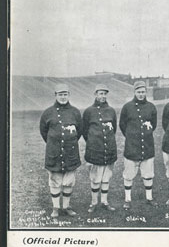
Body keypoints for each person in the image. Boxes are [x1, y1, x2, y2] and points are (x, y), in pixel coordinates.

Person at [39, 83, 83, 217]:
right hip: (54, 152)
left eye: (65, 94)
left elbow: (79, 131)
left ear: (69, 95)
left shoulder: (75, 112)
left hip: (70, 152)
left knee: (69, 180)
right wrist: (54, 143)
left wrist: (69, 141)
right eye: (60, 94)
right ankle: (56, 208)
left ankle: (66, 206)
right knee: (55, 180)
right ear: (55, 95)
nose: (63, 97)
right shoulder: (48, 113)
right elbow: (43, 132)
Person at [120, 81, 158, 209]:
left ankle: (149, 198)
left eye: (143, 92)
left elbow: (153, 124)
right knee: (129, 174)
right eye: (138, 92)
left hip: (147, 145)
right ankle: (127, 199)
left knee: (148, 174)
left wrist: (145, 134)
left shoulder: (151, 107)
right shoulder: (127, 107)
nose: (141, 94)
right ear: (134, 92)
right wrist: (131, 136)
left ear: (146, 92)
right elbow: (122, 125)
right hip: (132, 146)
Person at [81, 84, 118, 212]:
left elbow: (113, 129)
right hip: (94, 150)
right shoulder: (88, 111)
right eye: (100, 93)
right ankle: (94, 202)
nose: (102, 96)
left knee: (106, 177)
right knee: (95, 178)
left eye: (104, 94)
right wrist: (93, 142)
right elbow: (84, 131)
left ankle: (104, 201)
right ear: (95, 94)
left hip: (109, 149)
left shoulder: (111, 111)